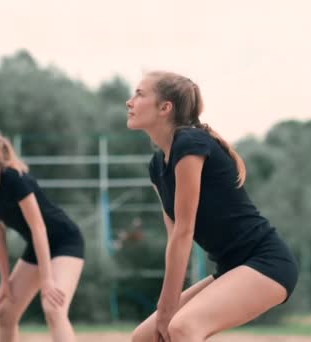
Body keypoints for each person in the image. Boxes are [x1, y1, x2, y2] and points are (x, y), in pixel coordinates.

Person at [125, 71, 298, 342]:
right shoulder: (157, 166)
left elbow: (185, 231)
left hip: (266, 262)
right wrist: (164, 309)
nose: (130, 101)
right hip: (231, 268)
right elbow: (175, 240)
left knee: (182, 328)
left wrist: (168, 308)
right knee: (145, 338)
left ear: (165, 107)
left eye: (139, 94)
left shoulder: (190, 143)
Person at [0, 125, 85, 342]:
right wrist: (4, 281)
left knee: (53, 307)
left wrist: (47, 280)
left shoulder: (14, 178)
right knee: (5, 313)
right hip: (38, 248)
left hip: (66, 241)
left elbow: (39, 228)